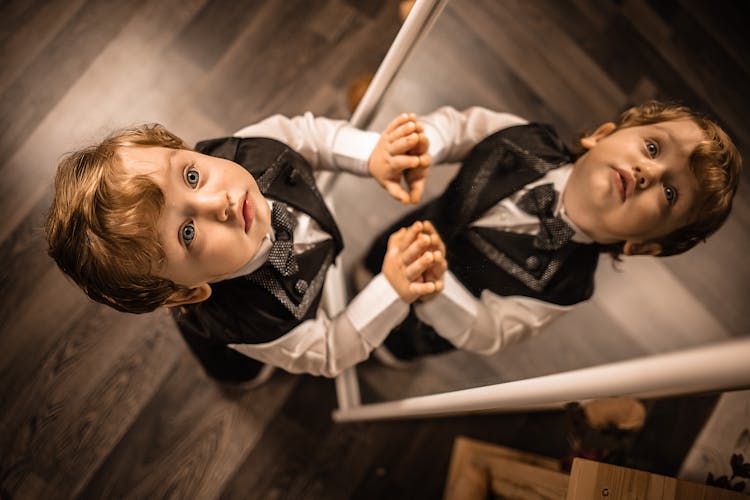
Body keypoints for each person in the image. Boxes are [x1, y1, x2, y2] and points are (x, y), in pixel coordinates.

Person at [46, 112, 446, 386]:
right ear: (188, 291)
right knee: (240, 369)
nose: (214, 202)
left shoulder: (251, 150)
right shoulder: (249, 323)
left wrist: (368, 153)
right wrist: (389, 292)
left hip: (307, 264)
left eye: (191, 175)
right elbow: (326, 350)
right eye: (187, 233)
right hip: (243, 342)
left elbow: (309, 136)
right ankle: (240, 375)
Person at [362, 101, 742, 360]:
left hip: (418, 325)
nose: (650, 172)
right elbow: (460, 126)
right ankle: (362, 274)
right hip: (396, 243)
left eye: (671, 192)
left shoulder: (564, 289)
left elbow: (491, 332)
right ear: (601, 134)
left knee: (381, 345)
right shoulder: (520, 137)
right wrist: (424, 142)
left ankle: (381, 352)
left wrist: (436, 292)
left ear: (643, 246)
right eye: (653, 148)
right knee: (365, 273)